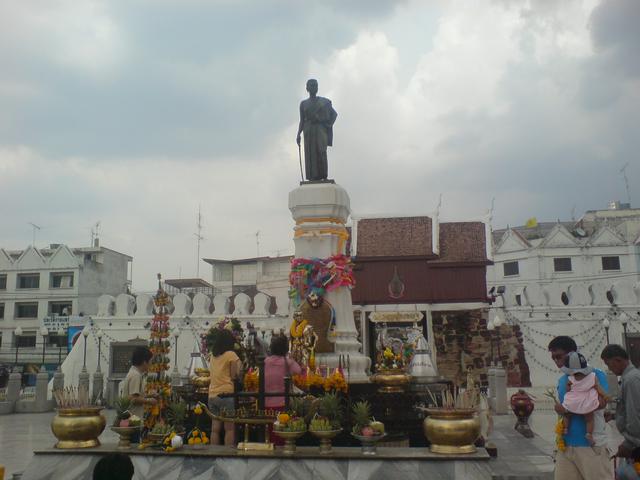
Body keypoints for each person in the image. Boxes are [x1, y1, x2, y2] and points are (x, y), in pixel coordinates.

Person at [548, 336, 613, 479]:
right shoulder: (563, 380)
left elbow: (601, 403)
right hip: (566, 445)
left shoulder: (595, 375)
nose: (556, 362)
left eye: (558, 356)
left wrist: (568, 409)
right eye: (553, 358)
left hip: (591, 446)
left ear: (572, 353)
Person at [600, 344, 640, 479]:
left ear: (617, 359)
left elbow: (635, 415)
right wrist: (613, 415)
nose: (609, 368)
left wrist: (629, 444)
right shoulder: (628, 377)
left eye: (608, 364)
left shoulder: (631, 379)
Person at [560, 352, 608, 445]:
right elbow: (598, 388)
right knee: (589, 419)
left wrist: (569, 391)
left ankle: (565, 428)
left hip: (574, 399)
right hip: (587, 401)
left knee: (567, 413)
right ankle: (589, 433)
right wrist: (606, 396)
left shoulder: (570, 378)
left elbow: (568, 388)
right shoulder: (593, 376)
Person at [296, 78, 337, 181]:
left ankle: (324, 176)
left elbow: (334, 114)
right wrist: (298, 134)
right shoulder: (303, 104)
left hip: (320, 129)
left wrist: (327, 124)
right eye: (312, 85)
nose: (314, 87)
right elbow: (302, 120)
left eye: (316, 85)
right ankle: (312, 177)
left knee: (321, 151)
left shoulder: (324, 102)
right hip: (308, 130)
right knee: (310, 153)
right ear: (307, 88)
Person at [208, 329, 242, 446]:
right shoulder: (231, 355)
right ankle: (228, 454)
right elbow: (234, 375)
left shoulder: (212, 355)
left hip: (212, 395)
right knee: (229, 428)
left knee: (215, 429)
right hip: (226, 394)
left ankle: (214, 452)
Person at [121, 346, 157, 442]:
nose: (150, 364)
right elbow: (133, 398)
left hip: (133, 420)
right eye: (150, 361)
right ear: (144, 362)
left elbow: (135, 395)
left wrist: (149, 395)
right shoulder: (136, 376)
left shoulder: (134, 373)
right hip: (133, 421)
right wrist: (149, 401)